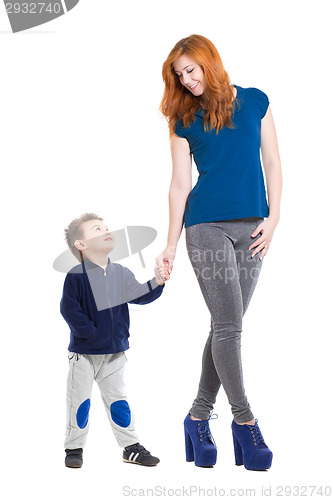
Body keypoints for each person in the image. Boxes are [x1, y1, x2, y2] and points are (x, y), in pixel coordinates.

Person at [156, 34, 282, 470]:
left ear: (210, 62)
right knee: (230, 327)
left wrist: (275, 216)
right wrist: (170, 245)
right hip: (205, 226)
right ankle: (245, 425)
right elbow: (178, 185)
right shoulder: (182, 118)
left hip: (253, 229)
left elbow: (272, 162)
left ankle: (195, 418)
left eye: (191, 70)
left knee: (225, 326)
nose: (187, 80)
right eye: (179, 74)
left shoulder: (255, 101)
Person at [60, 212, 169, 468]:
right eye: (97, 229)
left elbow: (140, 295)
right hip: (84, 355)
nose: (106, 231)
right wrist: (90, 333)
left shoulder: (120, 272)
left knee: (119, 402)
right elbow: (69, 309)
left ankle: (130, 447)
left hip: (114, 355)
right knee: (80, 403)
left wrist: (157, 281)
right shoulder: (76, 275)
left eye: (106, 227)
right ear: (81, 245)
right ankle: (74, 447)